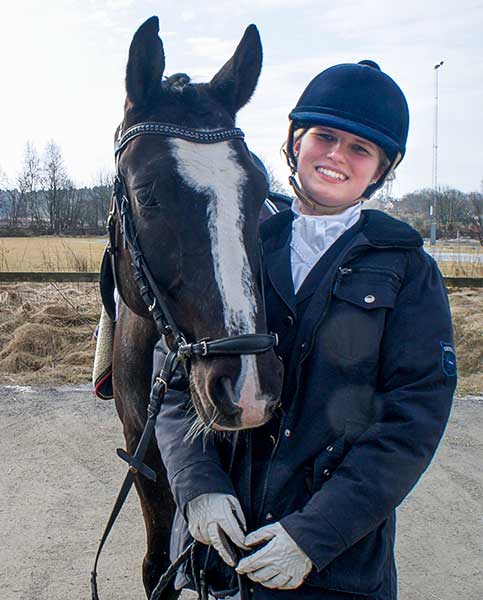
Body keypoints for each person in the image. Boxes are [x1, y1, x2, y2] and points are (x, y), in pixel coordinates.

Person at [155, 60, 457, 599]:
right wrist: (197, 487)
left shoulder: (410, 271)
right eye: (325, 136)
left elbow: (410, 422)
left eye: (360, 148)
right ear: (296, 142)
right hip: (215, 562)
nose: (338, 155)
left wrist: (317, 535)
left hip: (332, 572)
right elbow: (175, 381)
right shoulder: (237, 246)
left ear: (381, 170)